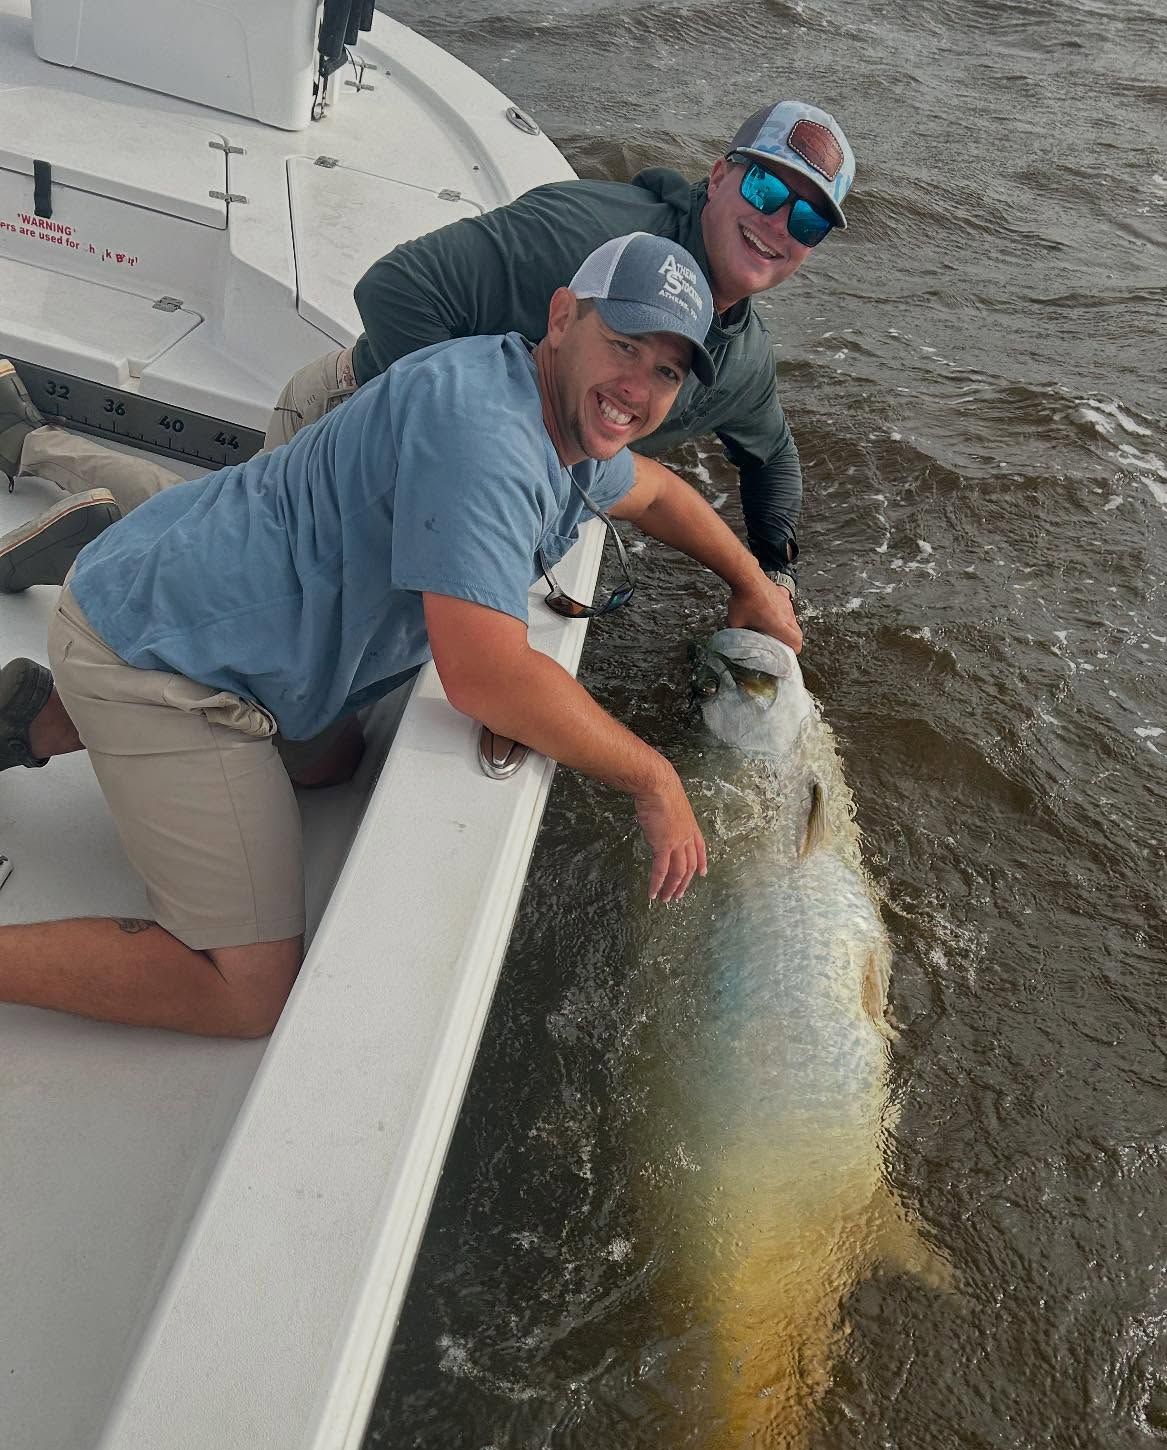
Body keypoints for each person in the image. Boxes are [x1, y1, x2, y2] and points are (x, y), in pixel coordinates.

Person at [0, 234, 799, 1040]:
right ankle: (90, 708)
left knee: (333, 765)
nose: (636, 387)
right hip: (158, 657)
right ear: (563, 318)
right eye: (622, 344)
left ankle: (40, 715)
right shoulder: (485, 438)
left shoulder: (551, 404)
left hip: (200, 594)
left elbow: (658, 495)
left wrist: (752, 586)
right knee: (249, 993)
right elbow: (485, 679)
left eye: (665, 370)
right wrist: (653, 777)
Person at [0, 100, 854, 625]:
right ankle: (47, 457)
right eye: (767, 190)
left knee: (243, 573)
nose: (778, 225)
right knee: (229, 571)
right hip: (352, 410)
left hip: (448, 481)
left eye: (807, 221)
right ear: (718, 176)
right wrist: (473, 452)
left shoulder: (738, 362)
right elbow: (397, 288)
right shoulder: (584, 233)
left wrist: (773, 572)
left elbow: (771, 456)